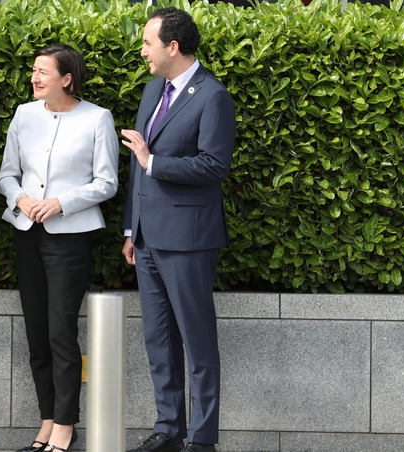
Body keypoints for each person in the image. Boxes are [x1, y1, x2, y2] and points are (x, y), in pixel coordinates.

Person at [120, 7, 236, 452]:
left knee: (197, 340)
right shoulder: (153, 90)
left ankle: (202, 440)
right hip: (147, 237)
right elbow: (137, 166)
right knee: (158, 339)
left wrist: (154, 162)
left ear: (172, 46)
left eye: (147, 43)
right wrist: (130, 228)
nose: (142, 51)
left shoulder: (213, 95)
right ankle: (168, 429)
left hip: (188, 238)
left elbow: (214, 165)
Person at [0, 44, 119, 452]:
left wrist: (61, 202)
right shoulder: (23, 114)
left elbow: (107, 183)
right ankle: (47, 422)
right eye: (33, 70)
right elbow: (7, 175)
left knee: (60, 333)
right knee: (36, 334)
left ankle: (66, 426)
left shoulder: (97, 118)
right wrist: (21, 198)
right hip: (27, 232)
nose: (34, 77)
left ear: (67, 79)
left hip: (71, 237)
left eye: (42, 71)